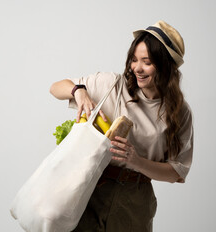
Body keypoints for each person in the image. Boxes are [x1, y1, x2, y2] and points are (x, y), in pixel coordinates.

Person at [50, 20, 193, 232]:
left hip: (135, 199)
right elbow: (55, 87)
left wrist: (136, 161)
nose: (137, 68)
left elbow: (177, 172)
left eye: (147, 62)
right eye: (134, 60)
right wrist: (79, 91)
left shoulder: (179, 112)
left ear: (165, 65)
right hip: (91, 189)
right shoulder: (113, 86)